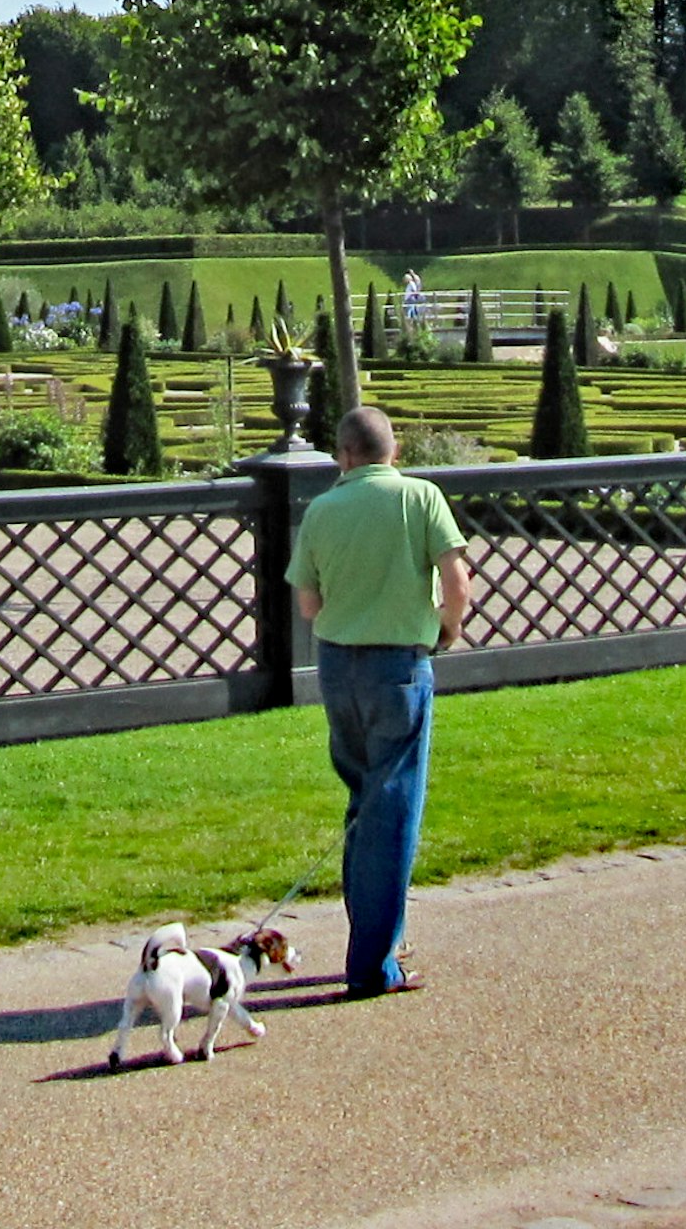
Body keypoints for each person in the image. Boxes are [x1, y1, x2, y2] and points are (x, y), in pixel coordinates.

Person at [286, 404, 474, 997]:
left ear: (343, 456)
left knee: (364, 803)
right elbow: (457, 580)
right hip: (399, 664)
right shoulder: (419, 497)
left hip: (338, 667)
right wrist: (448, 629)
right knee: (393, 813)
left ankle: (373, 936)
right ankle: (372, 964)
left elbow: (309, 606)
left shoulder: (321, 508)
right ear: (394, 452)